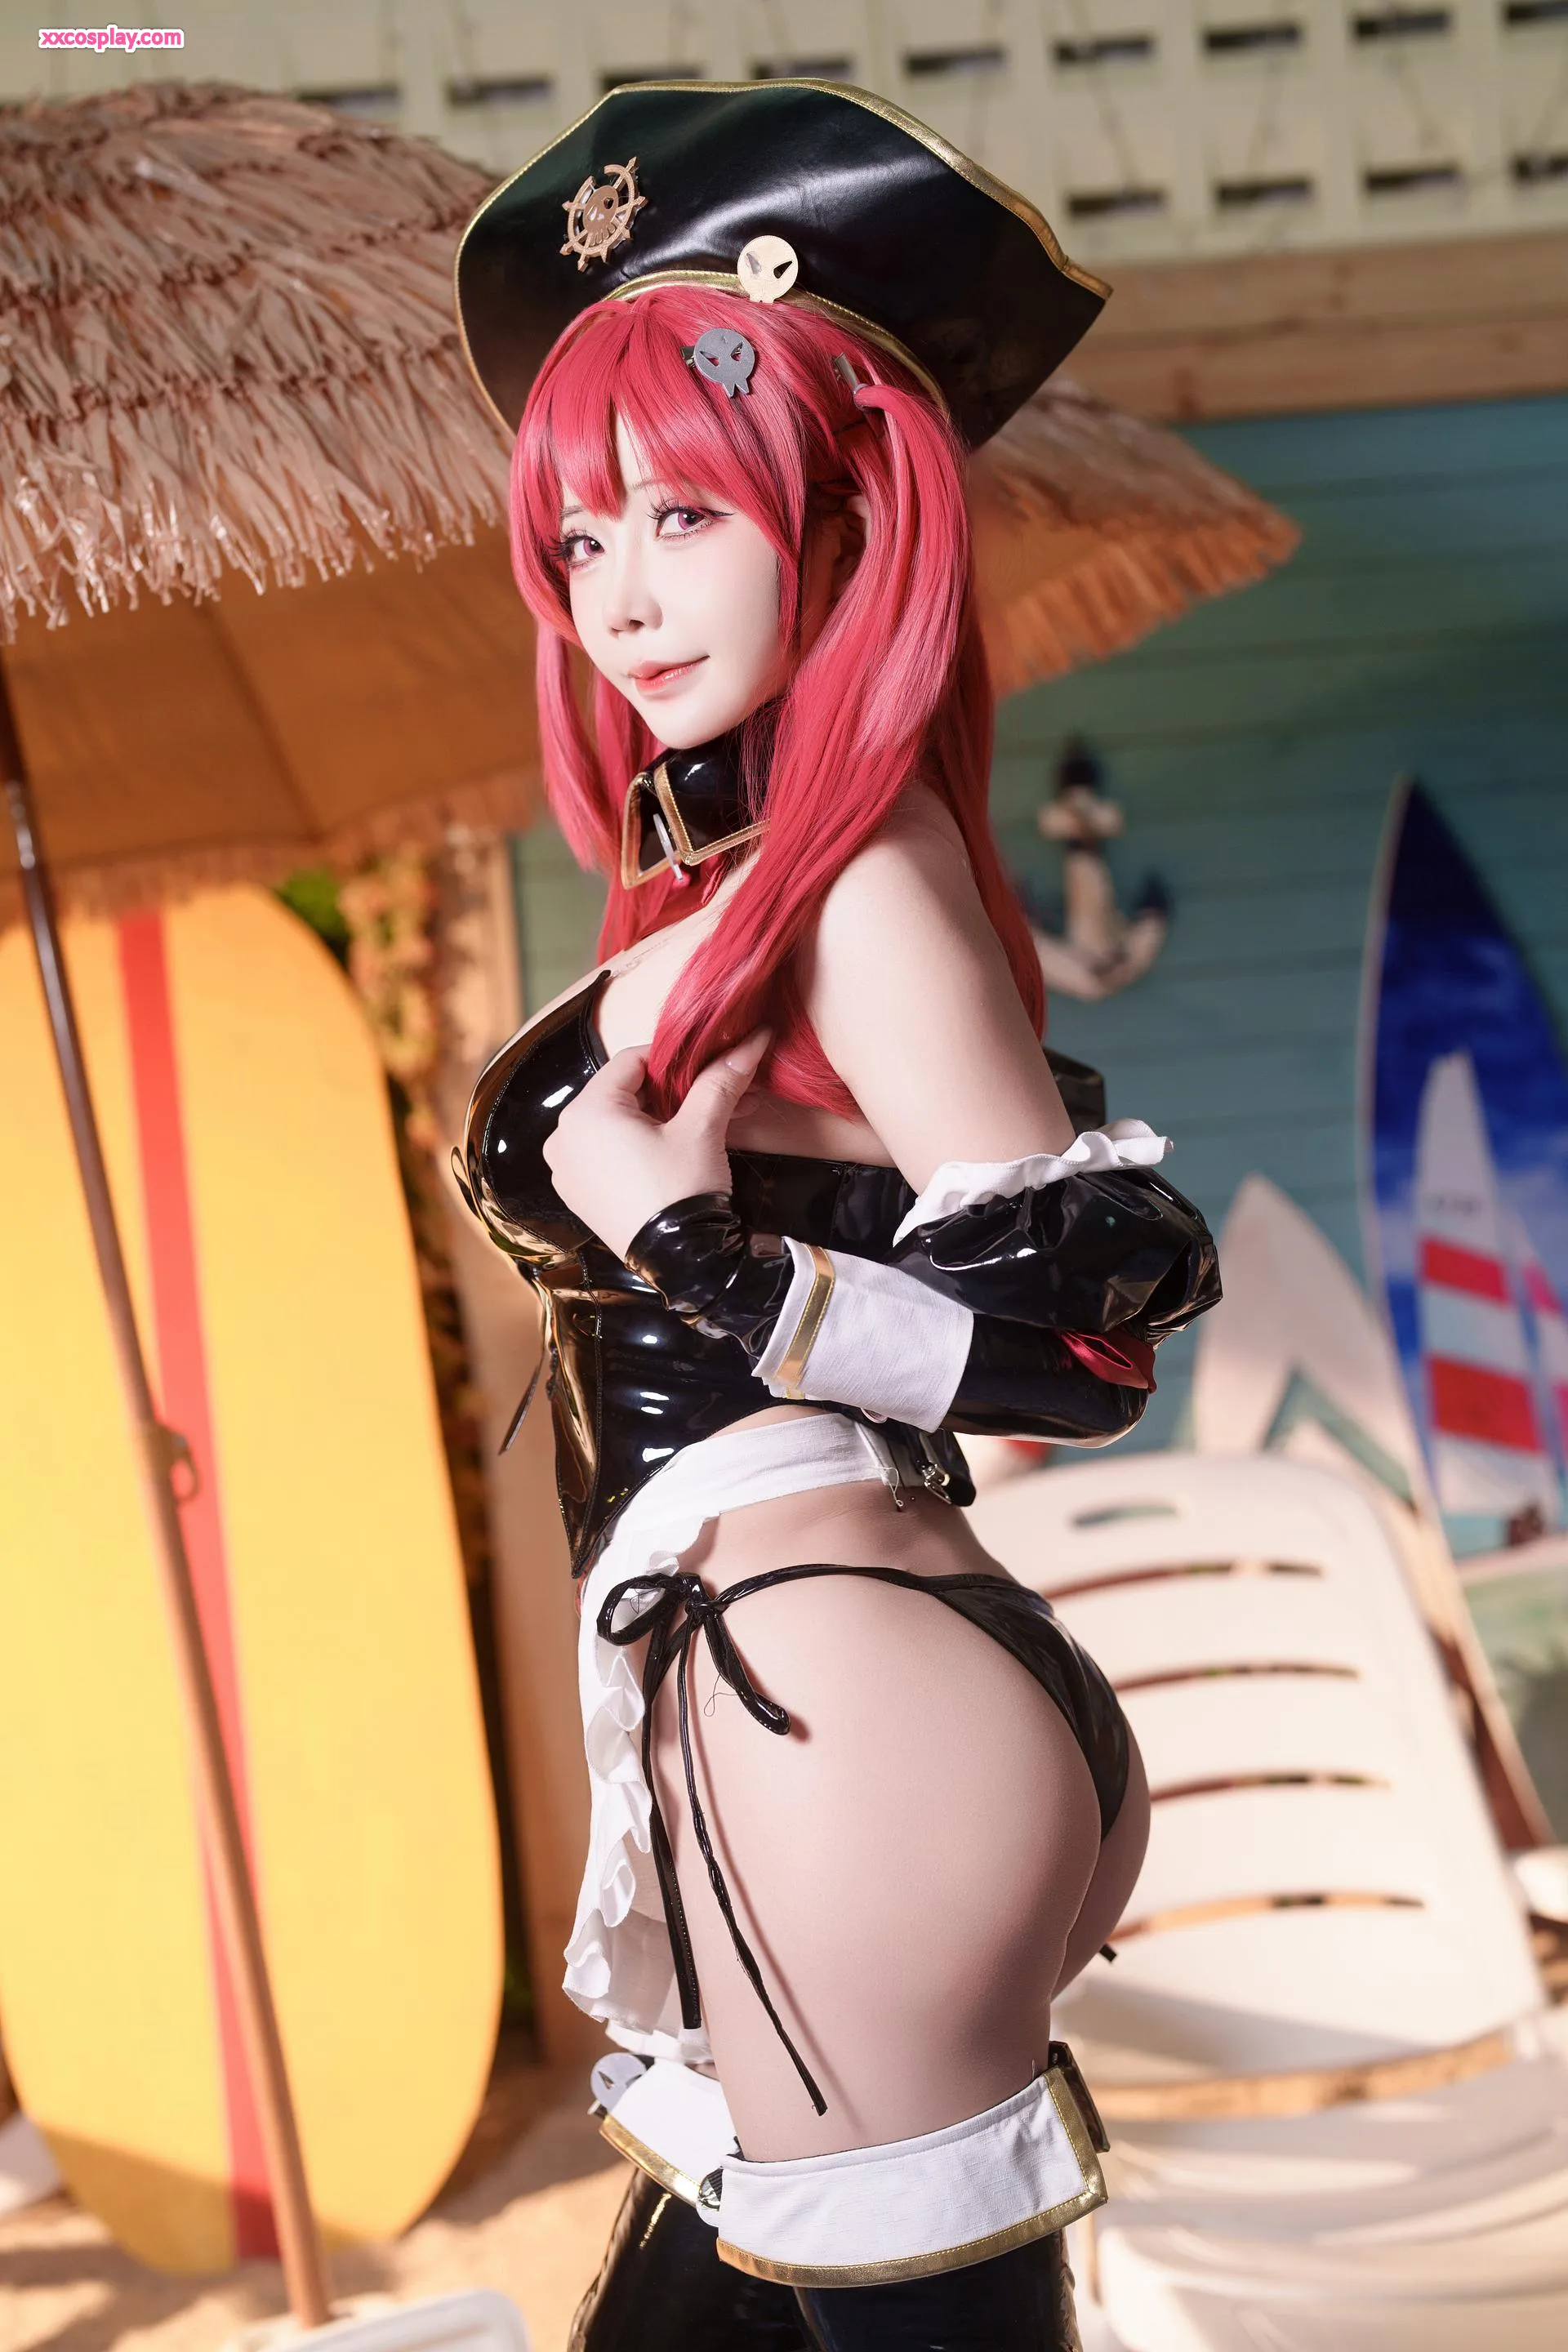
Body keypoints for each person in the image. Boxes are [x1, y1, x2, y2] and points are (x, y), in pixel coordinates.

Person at [453, 80, 1219, 2351]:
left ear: (850, 512)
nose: (620, 595)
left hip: (843, 1708)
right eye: (581, 537)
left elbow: (1083, 1341)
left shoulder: (862, 875)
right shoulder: (751, 874)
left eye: (684, 511)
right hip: (789, 1694)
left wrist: (703, 1255)